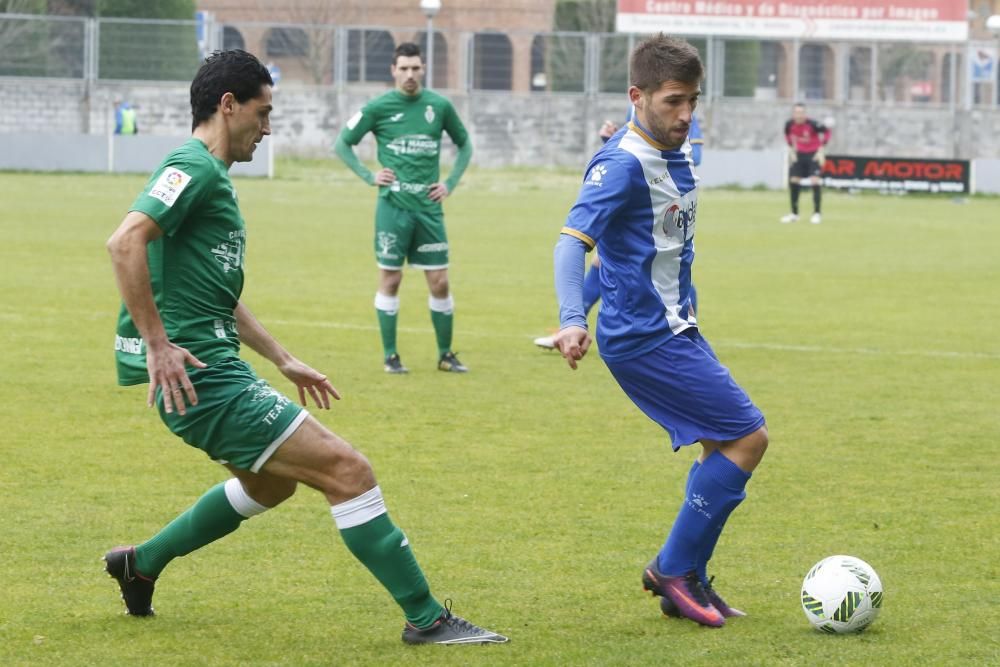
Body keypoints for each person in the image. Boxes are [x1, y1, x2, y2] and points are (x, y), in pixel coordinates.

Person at [104, 49, 507, 646]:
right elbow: (124, 242)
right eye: (263, 114)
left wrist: (281, 356)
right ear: (228, 104)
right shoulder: (192, 166)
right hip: (200, 376)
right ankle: (427, 619)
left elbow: (212, 290)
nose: (268, 130)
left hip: (210, 368)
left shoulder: (208, 175)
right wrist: (157, 345)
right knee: (349, 470)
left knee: (272, 483)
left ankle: (140, 562)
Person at [549, 34, 768, 628]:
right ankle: (672, 569)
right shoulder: (621, 165)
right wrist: (573, 319)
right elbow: (572, 246)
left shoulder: (674, 147)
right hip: (647, 339)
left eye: (694, 100)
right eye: (673, 101)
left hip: (676, 326)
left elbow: (617, 256)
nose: (686, 115)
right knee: (748, 437)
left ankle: (686, 575)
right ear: (637, 97)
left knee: (724, 447)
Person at [334, 42, 472, 375]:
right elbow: (342, 144)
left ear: (423, 69)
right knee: (391, 280)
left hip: (429, 210)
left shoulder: (438, 106)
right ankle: (391, 356)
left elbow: (465, 144)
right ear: (393, 70)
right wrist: (370, 176)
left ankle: (445, 355)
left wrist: (449, 183)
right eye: (404, 68)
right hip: (392, 209)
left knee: (439, 282)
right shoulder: (379, 107)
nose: (410, 74)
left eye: (415, 68)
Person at [533, 110, 703, 350]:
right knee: (604, 259)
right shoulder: (636, 112)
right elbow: (637, 154)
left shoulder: (680, 111)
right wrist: (610, 141)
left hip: (666, 199)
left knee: (669, 268)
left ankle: (685, 330)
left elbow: (693, 155)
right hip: (640, 205)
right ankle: (572, 326)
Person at [781, 103, 830, 224]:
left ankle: (817, 213)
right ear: (793, 114)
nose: (799, 115)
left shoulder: (813, 124)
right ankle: (794, 214)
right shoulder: (789, 124)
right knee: (794, 180)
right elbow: (787, 135)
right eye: (797, 112)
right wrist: (791, 147)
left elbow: (827, 132)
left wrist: (822, 147)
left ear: (805, 114)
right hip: (798, 155)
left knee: (815, 180)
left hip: (813, 155)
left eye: (801, 113)